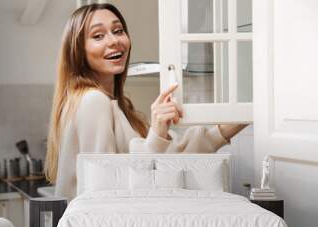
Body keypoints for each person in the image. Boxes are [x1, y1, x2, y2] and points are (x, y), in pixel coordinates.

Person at [44, 3, 247, 201]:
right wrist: (157, 133)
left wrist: (244, 114)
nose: (114, 40)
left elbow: (172, 156)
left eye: (118, 30)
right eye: (98, 36)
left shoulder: (113, 105)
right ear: (78, 51)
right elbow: (106, 191)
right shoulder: (93, 102)